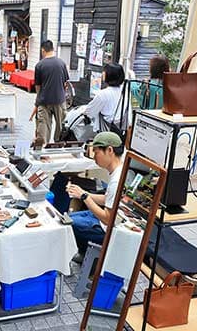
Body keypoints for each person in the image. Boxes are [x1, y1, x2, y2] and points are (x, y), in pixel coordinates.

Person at [66, 132, 124, 262]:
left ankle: (87, 257)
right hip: (108, 220)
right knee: (68, 217)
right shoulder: (119, 170)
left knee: (69, 223)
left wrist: (85, 196)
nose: (94, 157)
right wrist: (80, 194)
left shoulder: (116, 180)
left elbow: (108, 220)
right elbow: (107, 199)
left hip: (108, 229)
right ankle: (83, 252)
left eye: (96, 152)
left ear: (109, 150)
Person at [33, 40, 70, 143]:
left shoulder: (39, 65)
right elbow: (65, 84)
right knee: (61, 126)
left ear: (43, 50)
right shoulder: (61, 63)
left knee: (43, 126)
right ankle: (58, 144)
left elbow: (38, 87)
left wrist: (38, 99)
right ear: (53, 49)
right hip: (59, 100)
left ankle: (43, 147)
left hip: (44, 101)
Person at [84, 63, 125, 132]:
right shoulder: (124, 92)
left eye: (104, 71)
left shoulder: (102, 94)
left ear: (108, 75)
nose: (102, 73)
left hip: (106, 131)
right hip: (121, 130)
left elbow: (89, 112)